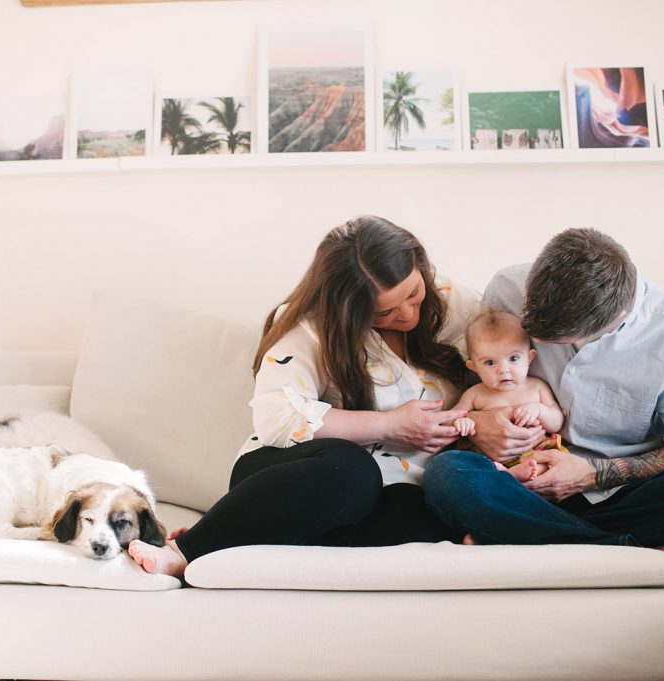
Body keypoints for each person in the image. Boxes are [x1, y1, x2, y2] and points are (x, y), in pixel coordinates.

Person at [127, 215, 480, 577]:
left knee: (430, 507)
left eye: (412, 294)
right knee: (353, 473)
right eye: (383, 312)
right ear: (349, 311)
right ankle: (189, 549)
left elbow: (512, 370)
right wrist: (389, 425)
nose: (407, 314)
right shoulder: (312, 326)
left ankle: (243, 532)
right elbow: (275, 418)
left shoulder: (458, 304)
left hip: (397, 484)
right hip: (302, 473)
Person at [422, 227, 664, 564]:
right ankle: (645, 555)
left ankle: (534, 540)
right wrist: (481, 425)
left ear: (614, 319)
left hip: (624, 494)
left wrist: (592, 474)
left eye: (554, 340)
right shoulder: (506, 288)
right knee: (448, 473)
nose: (536, 346)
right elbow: (482, 391)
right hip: (519, 487)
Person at [450, 309, 564, 482]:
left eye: (513, 359)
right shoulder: (475, 394)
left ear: (530, 358)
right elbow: (452, 418)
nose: (503, 370)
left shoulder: (536, 387)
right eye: (490, 362)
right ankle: (506, 475)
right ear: (474, 367)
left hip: (533, 453)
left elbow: (557, 422)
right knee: (461, 465)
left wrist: (539, 410)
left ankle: (518, 475)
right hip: (490, 457)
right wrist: (462, 422)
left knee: (550, 462)